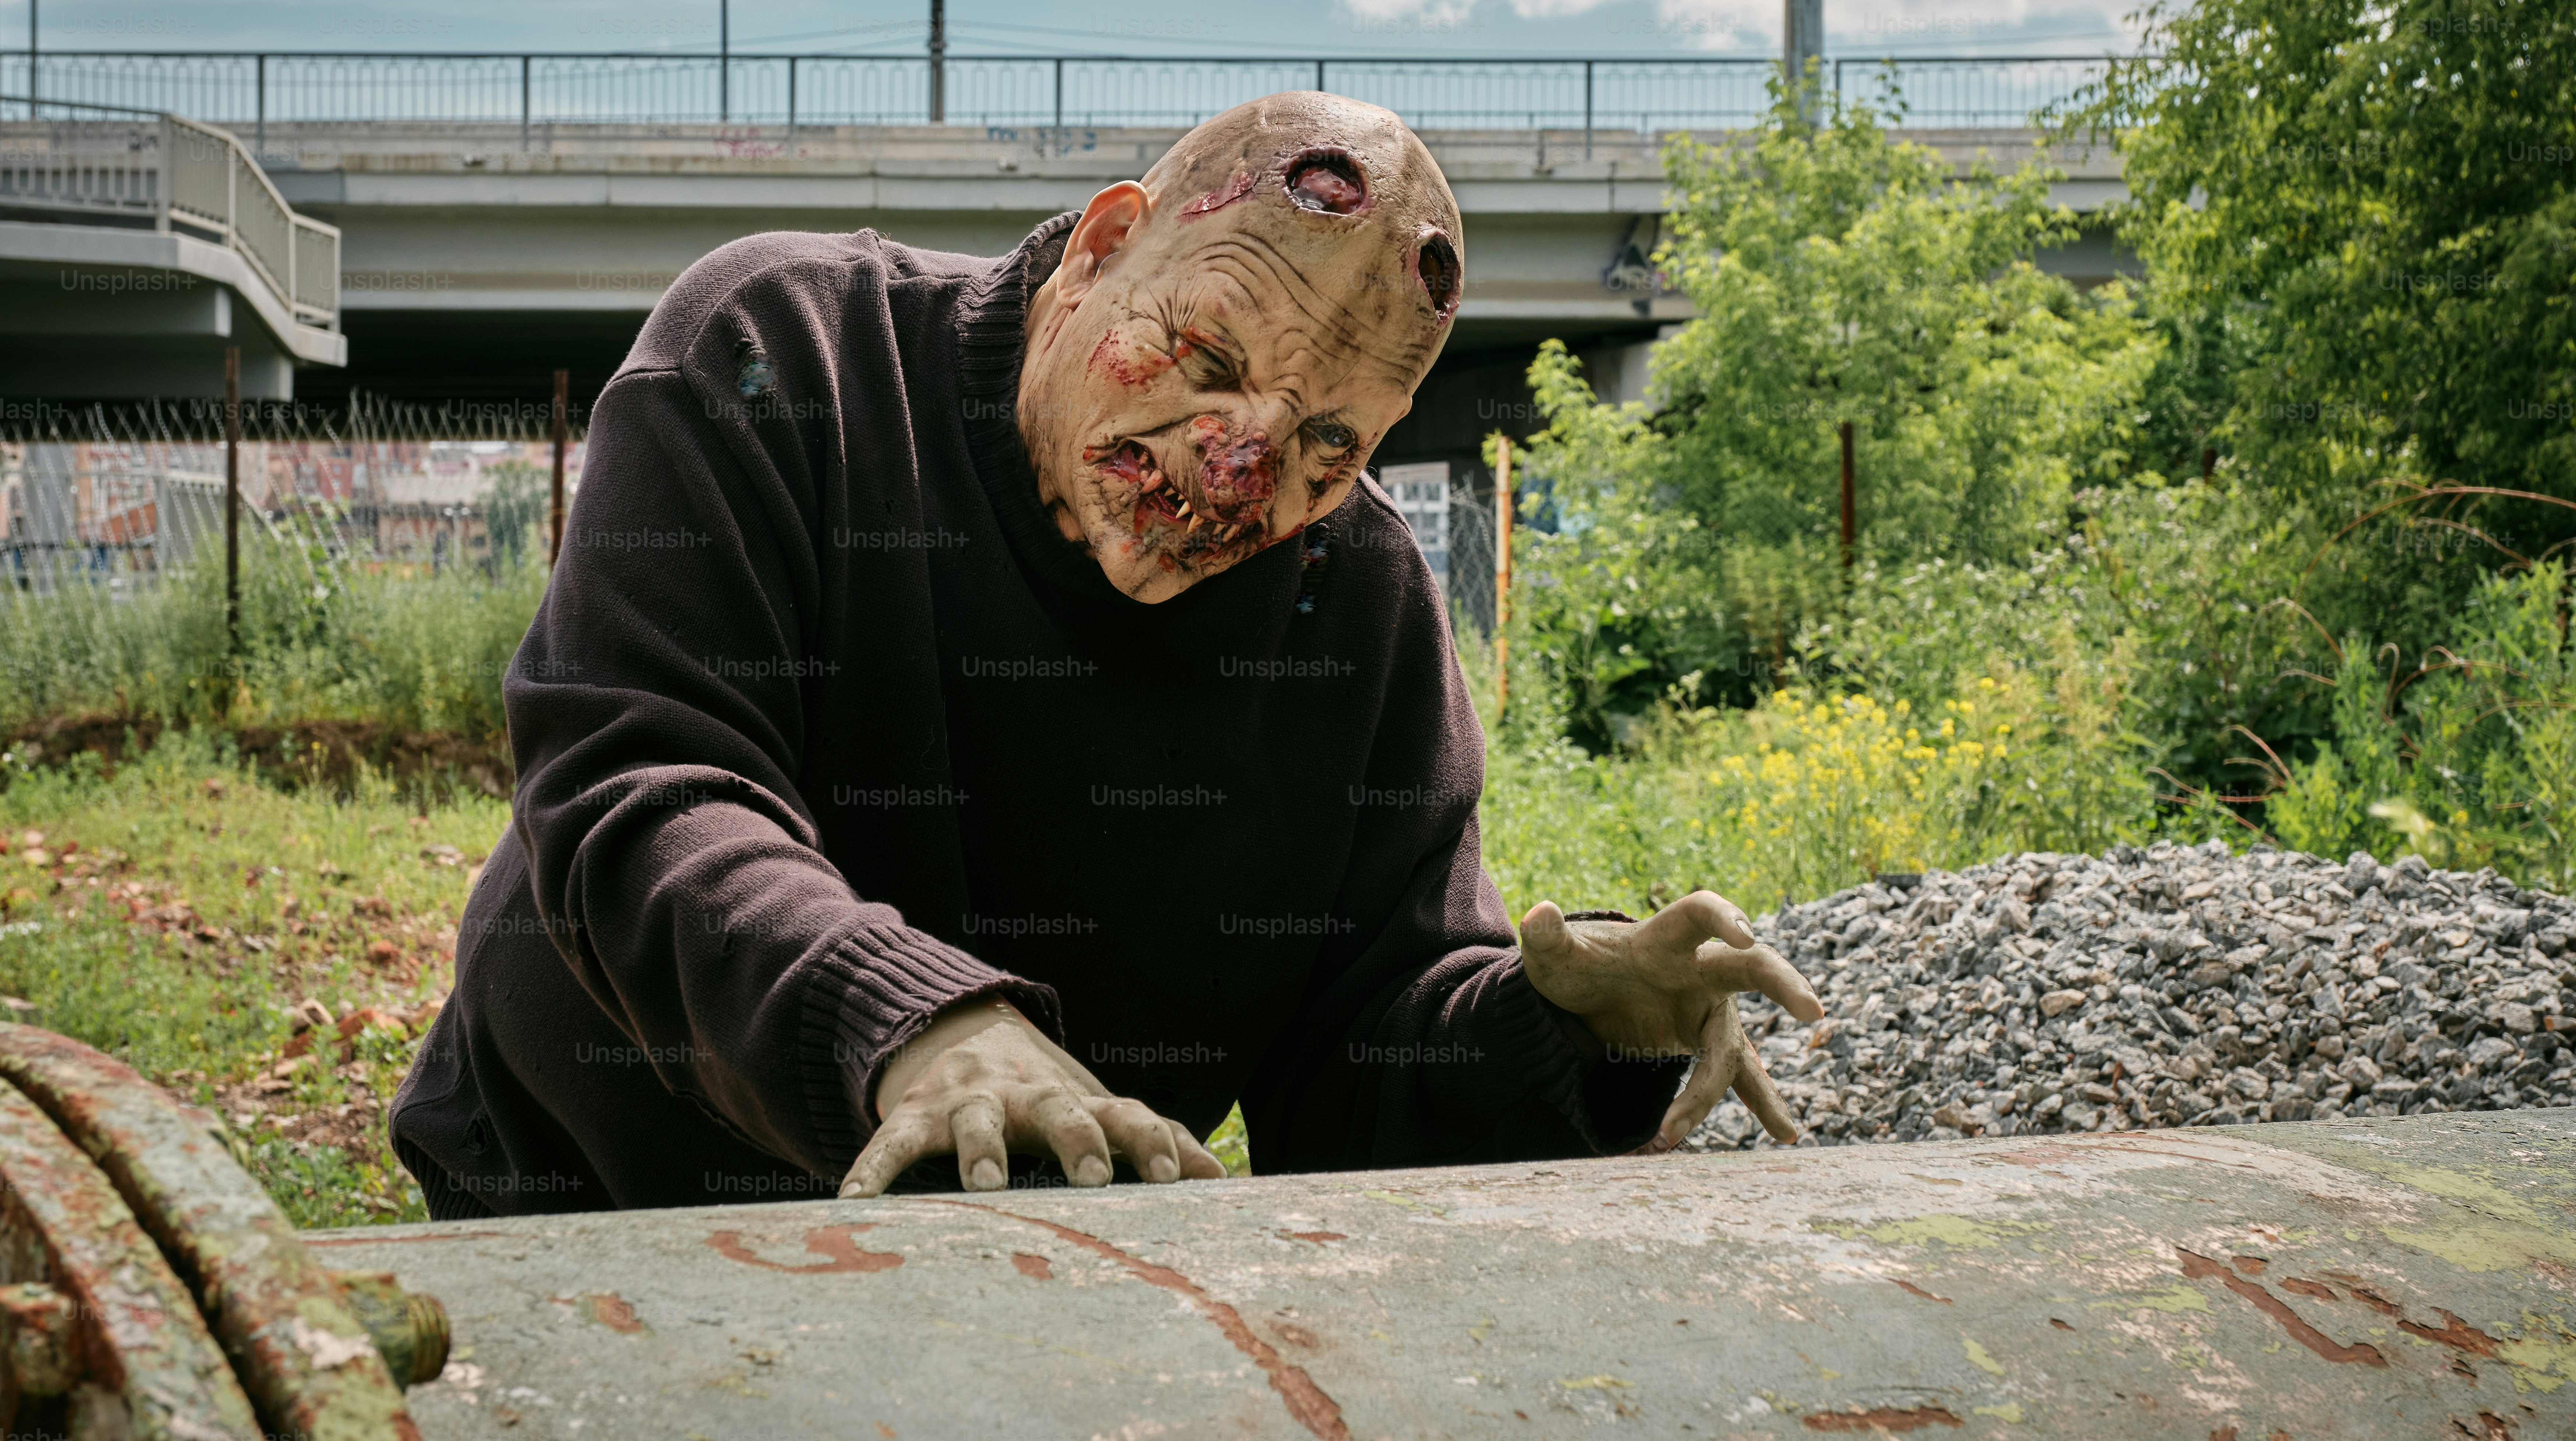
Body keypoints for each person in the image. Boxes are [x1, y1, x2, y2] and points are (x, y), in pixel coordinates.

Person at [391, 93, 1818, 1217]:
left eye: (1329, 441)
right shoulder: (784, 353)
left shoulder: (1358, 603)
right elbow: (639, 789)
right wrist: (914, 1027)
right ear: (1100, 246)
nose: (1242, 468)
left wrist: (1559, 1025)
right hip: (599, 1187)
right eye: (1207, 359)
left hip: (1037, 1256)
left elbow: (1359, 1068)